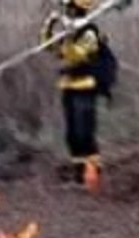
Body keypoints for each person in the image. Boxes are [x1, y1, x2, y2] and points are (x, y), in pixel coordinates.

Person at [41, 0, 106, 193]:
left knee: (84, 133)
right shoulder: (68, 33)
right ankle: (79, 177)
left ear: (78, 9)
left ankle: (92, 176)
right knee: (72, 135)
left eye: (69, 8)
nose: (66, 11)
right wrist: (50, 25)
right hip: (68, 87)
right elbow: (49, 47)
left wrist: (70, 34)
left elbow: (77, 55)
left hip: (85, 88)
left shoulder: (89, 33)